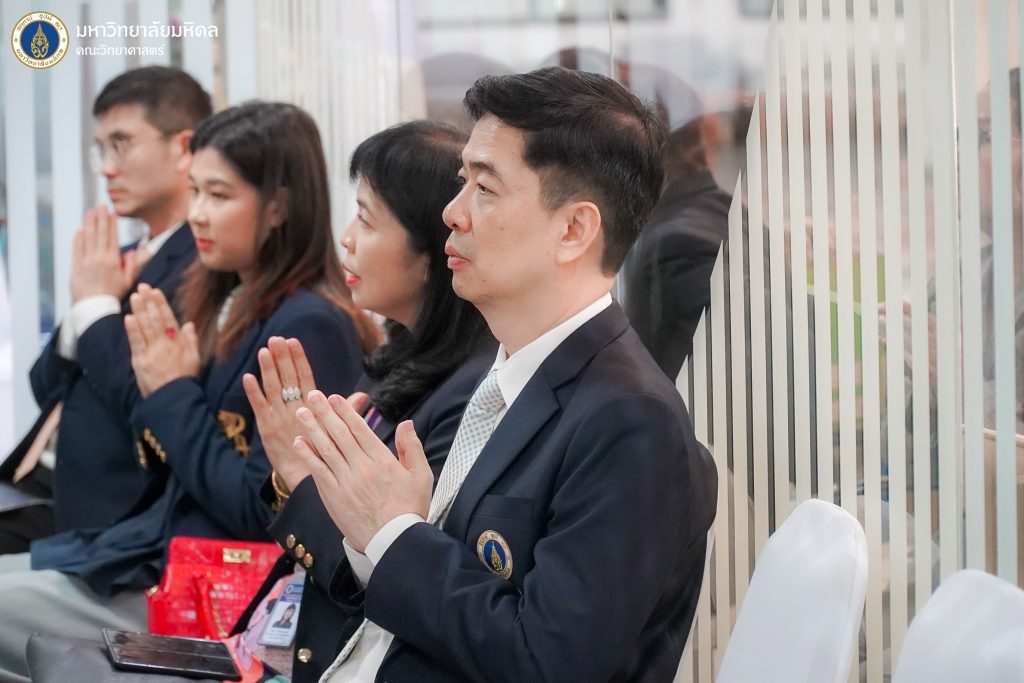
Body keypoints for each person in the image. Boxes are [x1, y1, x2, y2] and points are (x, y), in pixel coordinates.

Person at [294, 67, 718, 682]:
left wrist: (393, 533)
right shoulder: (504, 375)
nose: (452, 212)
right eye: (462, 181)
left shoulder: (630, 422)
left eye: (485, 188)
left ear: (573, 230)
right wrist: (374, 535)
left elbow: (548, 664)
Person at [0, 101, 376, 683]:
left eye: (218, 195)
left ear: (279, 205)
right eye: (195, 191)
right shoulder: (227, 300)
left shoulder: (309, 325)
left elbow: (260, 512)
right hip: (150, 557)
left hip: (213, 589)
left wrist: (171, 392)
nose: (197, 213)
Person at [228, 120, 495, 683]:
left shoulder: (467, 395)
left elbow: (382, 576)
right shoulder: (399, 358)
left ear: (435, 250)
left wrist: (301, 475)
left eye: (367, 220)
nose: (346, 238)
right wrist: (295, 476)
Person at [0, 67, 211, 553]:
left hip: (107, 518)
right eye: (100, 149)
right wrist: (84, 308)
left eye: (121, 144)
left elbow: (147, 404)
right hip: (37, 486)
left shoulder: (204, 265)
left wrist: (95, 307)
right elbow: (44, 386)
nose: (106, 168)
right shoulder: (117, 259)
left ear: (184, 147)